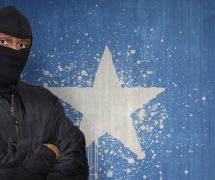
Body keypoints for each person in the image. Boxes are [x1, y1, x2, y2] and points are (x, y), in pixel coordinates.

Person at [0, 5, 89, 180]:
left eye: (22, 44)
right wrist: (47, 155)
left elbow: (75, 159)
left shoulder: (44, 101)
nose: (15, 50)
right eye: (4, 42)